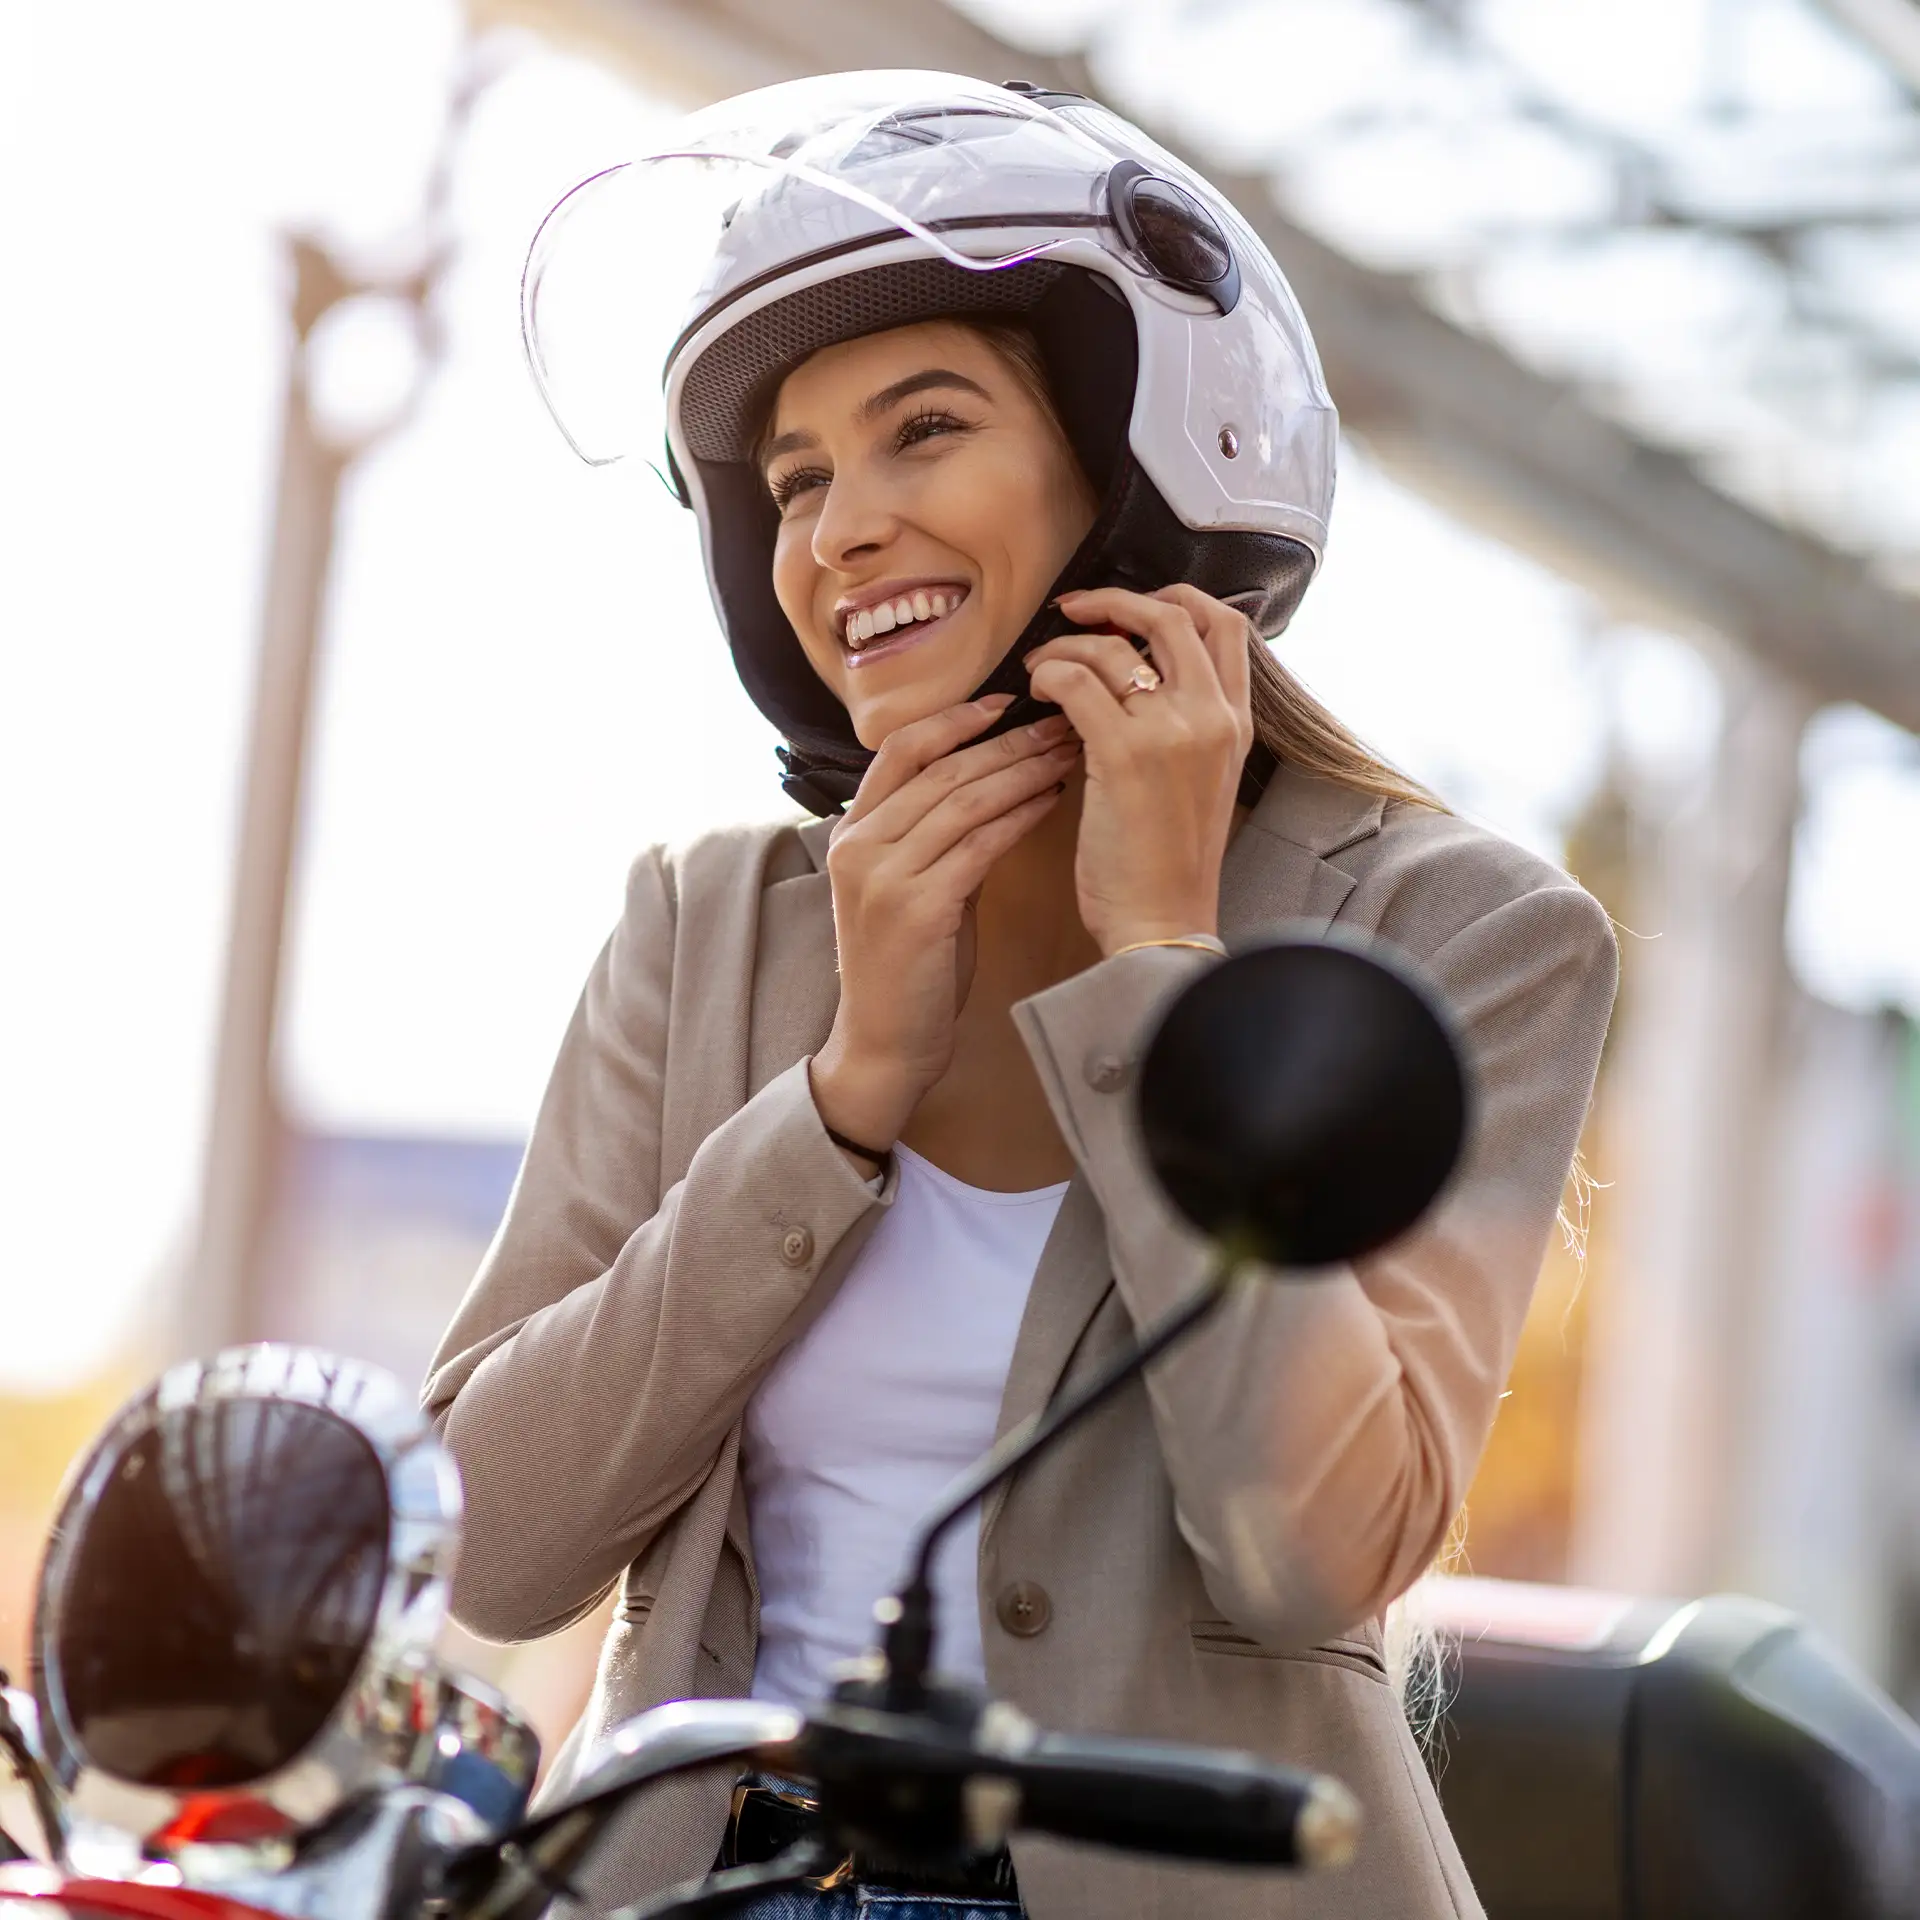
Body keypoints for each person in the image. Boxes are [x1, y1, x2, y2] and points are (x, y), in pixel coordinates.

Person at [424, 73, 1617, 1920]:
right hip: (704, 1886)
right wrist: (838, 1094)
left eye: (924, 430)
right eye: (800, 478)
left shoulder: (1465, 934)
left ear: (1135, 457)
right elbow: (491, 1552)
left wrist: (1159, 972)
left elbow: (1311, 1558)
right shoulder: (702, 923)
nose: (836, 533)